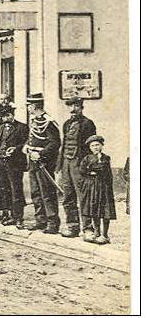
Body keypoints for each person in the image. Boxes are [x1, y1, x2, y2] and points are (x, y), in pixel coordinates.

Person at [57, 97, 97, 238]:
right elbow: (63, 145)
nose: (72, 110)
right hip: (66, 164)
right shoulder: (66, 124)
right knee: (68, 196)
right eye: (70, 107)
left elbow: (91, 147)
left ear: (81, 107)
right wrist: (59, 166)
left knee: (84, 197)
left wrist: (89, 165)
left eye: (75, 107)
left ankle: (88, 229)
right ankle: (72, 226)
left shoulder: (88, 124)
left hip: (79, 165)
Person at [22, 93, 61, 234]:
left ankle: (52, 223)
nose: (28, 108)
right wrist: (26, 146)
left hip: (44, 162)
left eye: (29, 106)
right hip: (32, 161)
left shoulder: (49, 122)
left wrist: (40, 154)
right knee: (36, 192)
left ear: (34, 106)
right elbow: (32, 138)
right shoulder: (34, 120)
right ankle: (40, 220)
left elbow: (55, 143)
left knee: (47, 193)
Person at [0, 101, 28, 229]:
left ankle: (19, 217)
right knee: (4, 189)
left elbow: (26, 144)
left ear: (13, 115)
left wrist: (16, 148)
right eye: (3, 116)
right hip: (2, 163)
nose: (6, 119)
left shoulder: (22, 127)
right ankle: (9, 215)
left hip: (15, 163)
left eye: (8, 115)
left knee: (16, 190)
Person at [78, 135, 115, 244]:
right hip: (93, 188)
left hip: (104, 187)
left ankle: (105, 235)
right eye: (93, 145)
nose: (95, 147)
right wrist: (91, 172)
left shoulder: (106, 158)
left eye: (97, 145)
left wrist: (93, 169)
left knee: (105, 211)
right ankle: (97, 233)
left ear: (102, 146)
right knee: (95, 210)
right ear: (90, 147)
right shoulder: (87, 158)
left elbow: (104, 170)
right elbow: (82, 171)